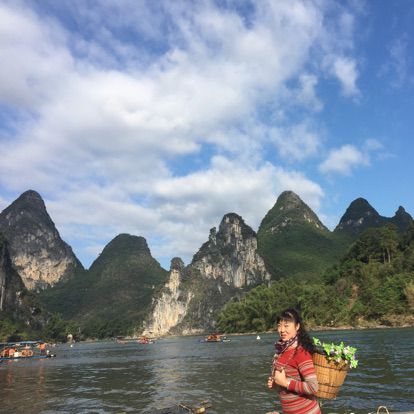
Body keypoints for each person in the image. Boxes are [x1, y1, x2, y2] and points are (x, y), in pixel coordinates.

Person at [267, 308, 320, 414]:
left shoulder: (301, 353)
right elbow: (287, 385)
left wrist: (285, 382)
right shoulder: (282, 351)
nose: (282, 330)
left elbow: (313, 387)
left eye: (286, 326)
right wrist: (276, 385)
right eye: (279, 325)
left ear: (297, 326)